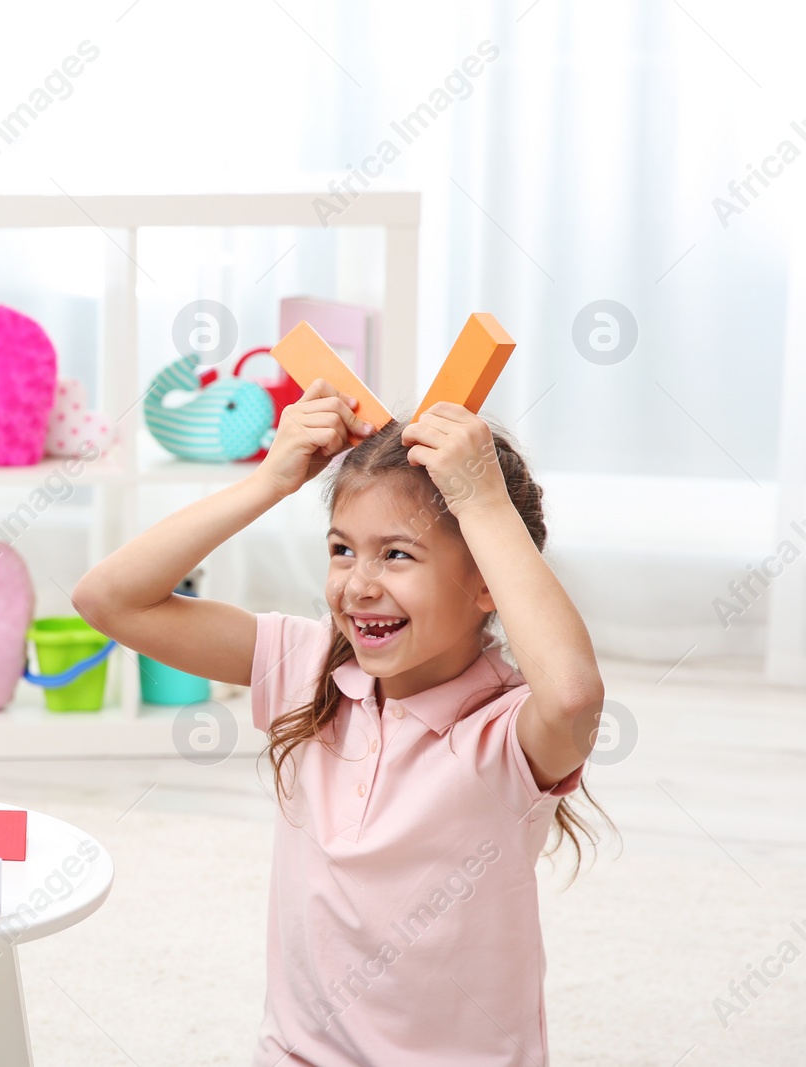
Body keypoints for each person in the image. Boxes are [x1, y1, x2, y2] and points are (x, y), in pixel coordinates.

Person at [73, 378, 611, 1064]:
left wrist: (482, 502)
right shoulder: (306, 665)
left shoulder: (502, 730)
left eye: (397, 553)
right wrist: (268, 483)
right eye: (341, 549)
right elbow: (108, 599)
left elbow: (570, 696)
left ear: (488, 583)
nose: (358, 584)